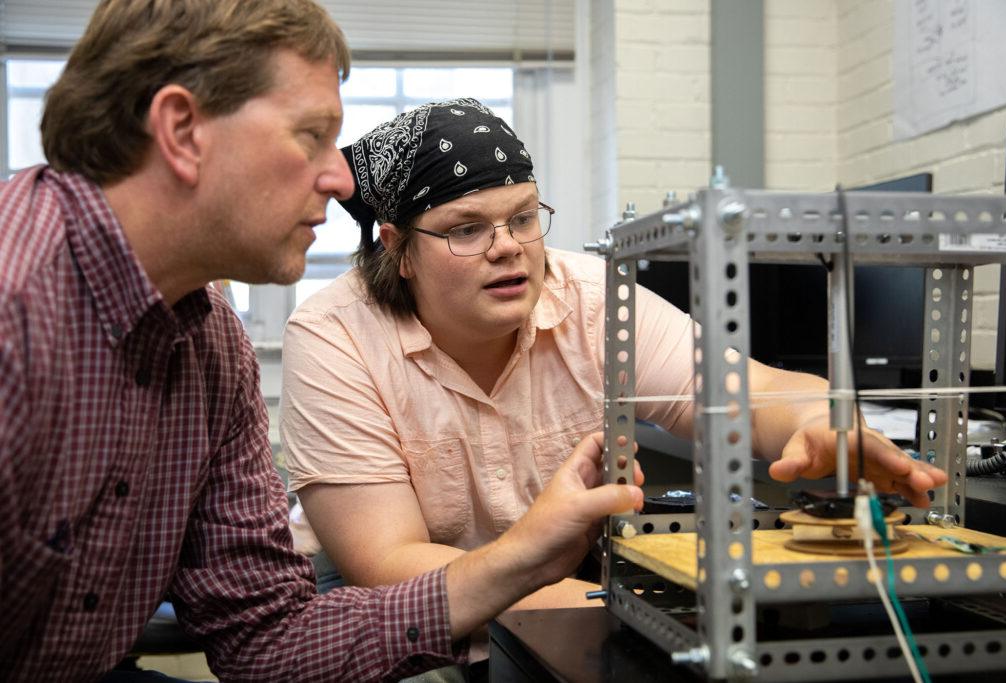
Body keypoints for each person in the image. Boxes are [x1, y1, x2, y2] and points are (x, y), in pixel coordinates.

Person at [0, 2, 645, 681]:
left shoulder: (212, 344)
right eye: (311, 136)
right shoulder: (17, 306)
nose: (341, 180)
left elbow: (266, 637)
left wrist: (521, 560)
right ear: (183, 131)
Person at [279, 100, 949, 611]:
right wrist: (619, 607)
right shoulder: (334, 336)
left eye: (520, 218)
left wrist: (823, 423)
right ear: (397, 249)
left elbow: (741, 388)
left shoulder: (592, 298)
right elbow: (387, 562)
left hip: (552, 595)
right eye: (467, 229)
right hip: (392, 616)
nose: (509, 246)